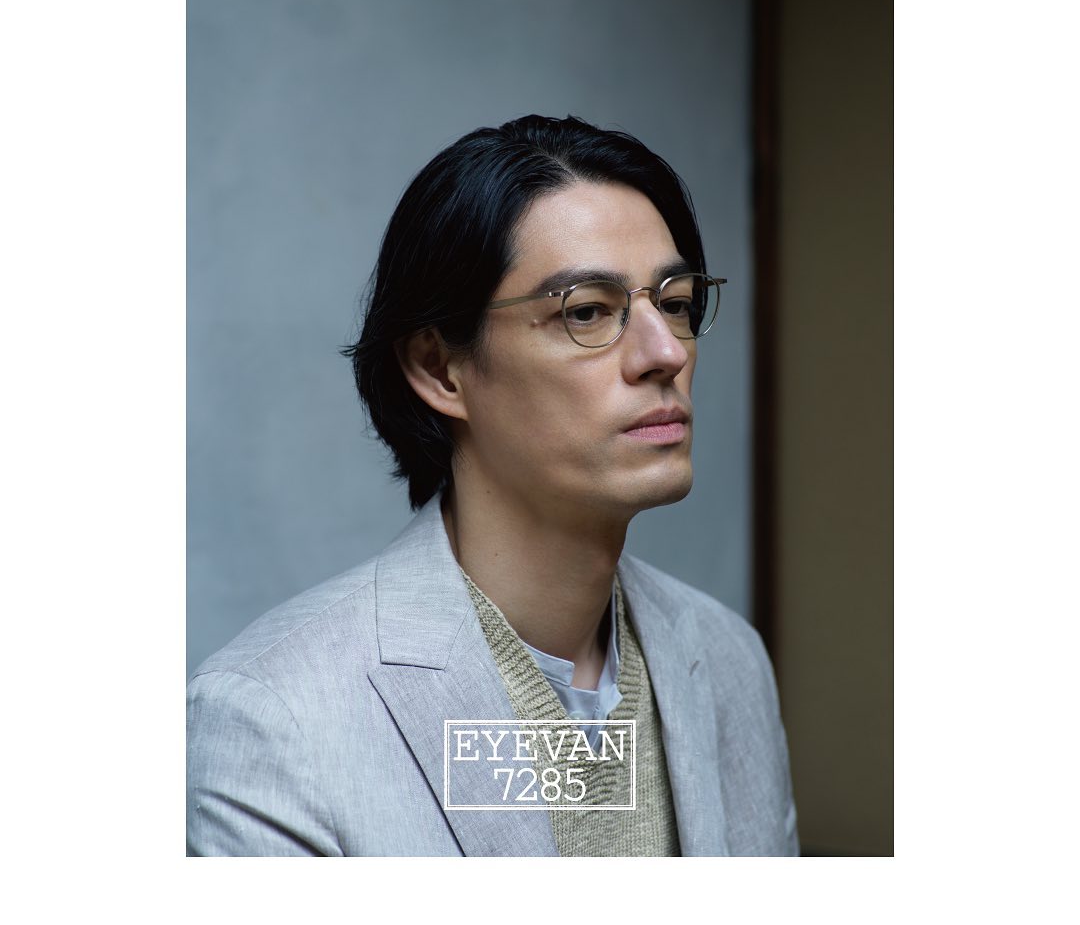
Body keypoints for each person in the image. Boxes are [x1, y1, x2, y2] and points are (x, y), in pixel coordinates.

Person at [186, 114, 799, 856]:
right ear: (440, 367)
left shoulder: (728, 660)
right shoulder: (276, 715)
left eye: (674, 302)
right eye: (587, 312)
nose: (665, 352)